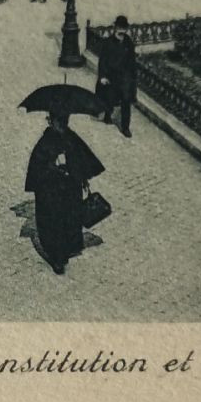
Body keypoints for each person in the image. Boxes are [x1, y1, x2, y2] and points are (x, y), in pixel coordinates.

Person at [24, 112, 105, 274]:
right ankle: (57, 258)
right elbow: (37, 169)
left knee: (70, 219)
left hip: (69, 190)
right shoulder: (44, 143)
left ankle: (67, 247)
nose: (62, 124)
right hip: (51, 192)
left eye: (64, 121)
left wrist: (80, 174)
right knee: (53, 223)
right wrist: (53, 167)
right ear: (51, 121)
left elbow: (81, 158)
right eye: (58, 121)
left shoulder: (71, 138)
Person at [95, 15, 137, 137]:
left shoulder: (128, 42)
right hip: (111, 76)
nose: (121, 32)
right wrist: (102, 76)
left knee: (125, 101)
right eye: (119, 28)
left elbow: (132, 61)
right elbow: (102, 60)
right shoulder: (108, 43)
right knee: (109, 98)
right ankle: (108, 115)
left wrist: (132, 79)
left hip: (124, 78)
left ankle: (125, 127)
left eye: (124, 29)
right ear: (115, 28)